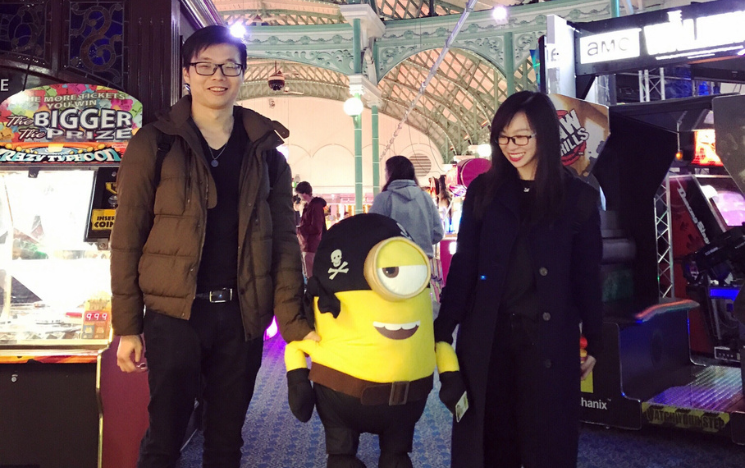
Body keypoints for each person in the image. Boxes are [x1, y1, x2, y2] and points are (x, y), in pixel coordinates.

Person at [110, 25, 318, 468]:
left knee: (227, 440)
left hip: (241, 316)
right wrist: (128, 327)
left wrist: (294, 322)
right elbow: (126, 238)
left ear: (244, 73)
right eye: (205, 65)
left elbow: (284, 243)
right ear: (187, 72)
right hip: (173, 318)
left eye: (229, 66)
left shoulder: (266, 155)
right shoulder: (155, 143)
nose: (217, 76)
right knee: (164, 437)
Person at [433, 91, 603, 468]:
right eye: (504, 137)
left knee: (547, 443)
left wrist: (595, 337)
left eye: (522, 136)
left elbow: (586, 277)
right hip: (488, 340)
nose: (512, 146)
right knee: (490, 441)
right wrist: (443, 328)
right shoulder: (485, 192)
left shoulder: (577, 198)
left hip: (548, 342)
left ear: (545, 135)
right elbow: (464, 266)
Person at [369, 155, 444, 258]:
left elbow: (372, 231)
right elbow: (438, 233)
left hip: (393, 262)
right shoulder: (425, 197)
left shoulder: (384, 199)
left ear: (390, 173)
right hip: (422, 261)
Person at [295, 181, 327, 279]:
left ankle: (313, 293)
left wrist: (300, 229)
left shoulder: (315, 206)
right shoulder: (310, 206)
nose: (299, 197)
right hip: (309, 245)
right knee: (309, 274)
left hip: (311, 246)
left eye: (299, 194)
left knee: (311, 275)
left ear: (304, 194)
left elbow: (316, 227)